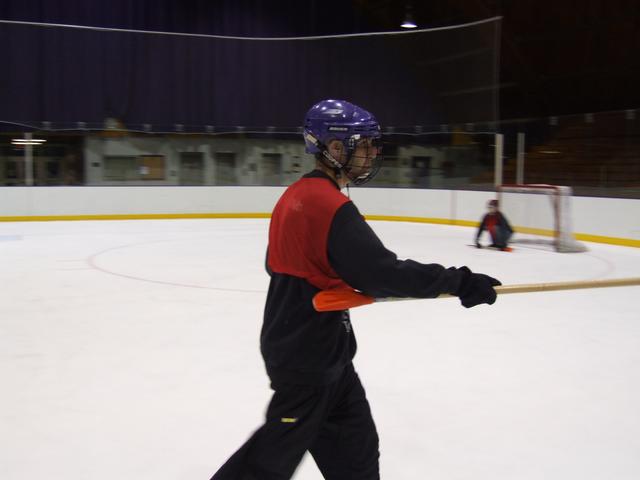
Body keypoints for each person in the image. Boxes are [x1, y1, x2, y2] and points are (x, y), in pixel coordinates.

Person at [211, 99, 501, 480]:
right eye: (363, 145)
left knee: (357, 454)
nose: (372, 153)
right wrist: (459, 282)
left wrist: (331, 277)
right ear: (334, 148)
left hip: (325, 356)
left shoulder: (294, 196)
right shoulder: (329, 205)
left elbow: (276, 262)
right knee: (266, 464)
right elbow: (382, 273)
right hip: (307, 361)